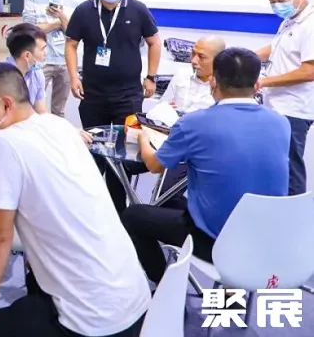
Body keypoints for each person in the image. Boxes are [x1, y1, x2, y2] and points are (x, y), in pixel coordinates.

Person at [0, 63, 149, 337]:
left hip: (91, 322)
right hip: (136, 303)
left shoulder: (4, 142)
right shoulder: (59, 125)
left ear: (5, 105)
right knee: (34, 283)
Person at [121, 48, 289, 284]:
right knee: (173, 201)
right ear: (257, 85)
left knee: (133, 215)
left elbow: (154, 165)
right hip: (265, 240)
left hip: (215, 242)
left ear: (213, 81)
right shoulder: (281, 123)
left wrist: (142, 138)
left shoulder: (194, 123)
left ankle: (163, 285)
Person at [65, 0, 161, 213]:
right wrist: (73, 76)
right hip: (92, 95)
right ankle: (91, 209)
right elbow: (71, 44)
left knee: (123, 153)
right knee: (93, 152)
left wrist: (151, 76)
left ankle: (118, 211)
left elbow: (154, 42)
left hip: (128, 96)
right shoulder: (84, 10)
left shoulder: (138, 10)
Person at [258, 0, 314, 195]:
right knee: (276, 167)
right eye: (272, 2)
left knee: (290, 170)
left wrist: (263, 82)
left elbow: (309, 71)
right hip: (276, 106)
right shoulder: (291, 21)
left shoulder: (310, 25)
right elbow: (275, 48)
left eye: (281, 0)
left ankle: (295, 214)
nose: (277, 6)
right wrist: (244, 57)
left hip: (293, 110)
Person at [22, 0, 81, 116]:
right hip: (41, 60)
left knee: (59, 110)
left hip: (65, 61)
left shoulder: (74, 1)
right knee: (33, 105)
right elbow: (29, 29)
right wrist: (56, 24)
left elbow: (74, 33)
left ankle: (56, 132)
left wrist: (61, 17)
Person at [160, 36, 226, 113]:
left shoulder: (225, 87)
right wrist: (165, 108)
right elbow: (161, 106)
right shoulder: (182, 74)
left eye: (201, 57)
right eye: (193, 53)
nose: (193, 61)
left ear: (218, 60)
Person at [4, 23, 48, 113]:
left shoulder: (37, 73)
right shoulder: (1, 77)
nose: (46, 53)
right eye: (42, 49)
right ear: (27, 55)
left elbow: (41, 112)